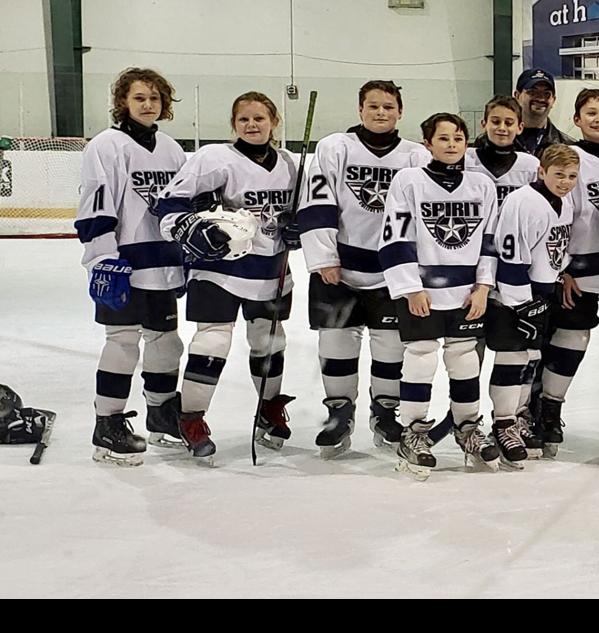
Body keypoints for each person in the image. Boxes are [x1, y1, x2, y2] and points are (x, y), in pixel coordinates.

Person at [153, 90, 300, 459]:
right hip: (218, 269)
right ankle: (190, 418)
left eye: (259, 118)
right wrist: (187, 226)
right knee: (212, 342)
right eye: (243, 119)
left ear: (274, 122)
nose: (251, 125)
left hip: (271, 269)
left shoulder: (290, 163)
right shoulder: (214, 158)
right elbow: (168, 203)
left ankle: (268, 408)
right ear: (233, 124)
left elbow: (303, 211)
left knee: (269, 341)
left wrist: (300, 226)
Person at [298, 79, 427, 454]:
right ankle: (339, 412)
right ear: (360, 109)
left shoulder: (415, 156)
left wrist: (415, 271)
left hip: (392, 272)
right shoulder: (335, 147)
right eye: (373, 106)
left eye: (388, 106)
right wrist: (324, 257)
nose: (380, 112)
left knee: (391, 346)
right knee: (336, 342)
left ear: (400, 112)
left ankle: (385, 412)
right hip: (340, 268)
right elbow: (318, 202)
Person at [75, 66, 188, 465]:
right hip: (123, 262)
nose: (147, 104)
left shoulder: (172, 149)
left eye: (155, 98)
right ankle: (107, 424)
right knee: (122, 341)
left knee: (166, 341)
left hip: (163, 262)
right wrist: (104, 259)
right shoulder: (107, 145)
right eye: (139, 97)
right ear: (123, 101)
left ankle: (161, 414)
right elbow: (96, 202)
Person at [379, 112, 502, 475]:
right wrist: (410, 288)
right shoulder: (409, 181)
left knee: (464, 359)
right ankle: (413, 432)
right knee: (421, 357)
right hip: (423, 292)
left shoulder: (482, 185)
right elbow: (395, 236)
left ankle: (468, 429)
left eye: (458, 138)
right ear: (428, 144)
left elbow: (489, 241)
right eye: (444, 138)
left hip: (466, 293)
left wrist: (484, 287)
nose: (451, 145)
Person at [533, 88, 599, 455]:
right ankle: (549, 410)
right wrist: (560, 269)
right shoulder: (568, 158)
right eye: (590, 113)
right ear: (576, 119)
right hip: (577, 268)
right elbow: (553, 219)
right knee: (573, 339)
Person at [487, 143, 579, 468]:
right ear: (541, 171)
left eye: (572, 176)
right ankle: (503, 425)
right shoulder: (523, 201)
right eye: (559, 174)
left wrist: (561, 274)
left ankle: (519, 417)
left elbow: (554, 249)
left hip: (541, 294)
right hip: (514, 296)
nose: (565, 182)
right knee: (512, 358)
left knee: (531, 359)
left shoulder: (563, 203)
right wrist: (520, 304)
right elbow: (510, 255)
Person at [512, 67, 574, 154]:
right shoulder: (499, 141)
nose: (540, 98)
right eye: (532, 92)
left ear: (553, 100)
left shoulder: (567, 148)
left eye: (546, 94)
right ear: (517, 96)